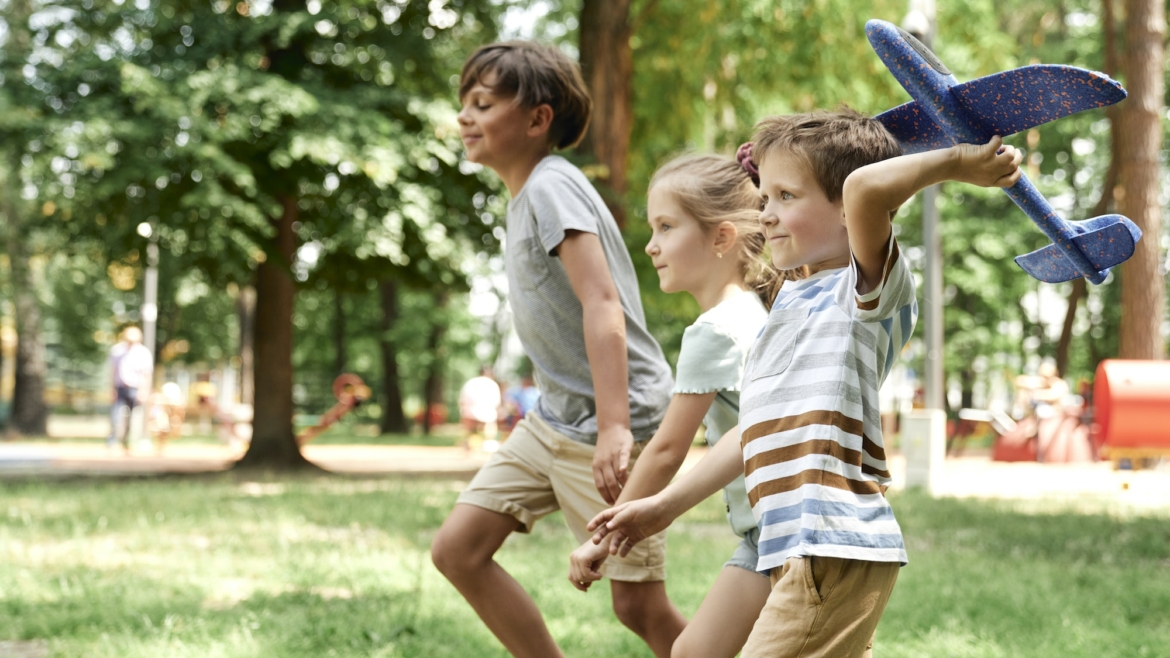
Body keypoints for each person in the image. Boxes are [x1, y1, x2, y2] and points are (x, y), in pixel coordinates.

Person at [588, 109, 1023, 658]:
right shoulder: (790, 302)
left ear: (847, 213)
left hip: (833, 543)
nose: (765, 215)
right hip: (789, 542)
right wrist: (663, 507)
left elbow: (865, 187)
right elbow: (751, 432)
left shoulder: (865, 294)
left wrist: (958, 161)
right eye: (763, 199)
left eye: (785, 198)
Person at [429, 41, 683, 658]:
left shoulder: (551, 185)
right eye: (463, 103)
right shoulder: (526, 195)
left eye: (483, 103)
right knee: (458, 551)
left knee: (638, 605)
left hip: (613, 419)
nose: (465, 116)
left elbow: (602, 303)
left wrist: (616, 428)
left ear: (537, 119)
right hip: (553, 418)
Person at [567, 152, 800, 658]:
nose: (651, 245)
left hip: (781, 537)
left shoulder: (715, 330)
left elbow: (667, 450)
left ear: (721, 238)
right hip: (773, 535)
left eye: (667, 227)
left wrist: (601, 540)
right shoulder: (755, 312)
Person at [106, 326, 153, 451]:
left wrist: (144, 390)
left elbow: (146, 374)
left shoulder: (143, 352)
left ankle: (132, 441)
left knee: (135, 417)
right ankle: (114, 440)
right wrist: (112, 388)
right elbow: (113, 371)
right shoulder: (117, 351)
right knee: (117, 415)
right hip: (120, 387)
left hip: (136, 388)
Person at [458, 366, 503, 452]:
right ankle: (489, 442)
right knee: (491, 424)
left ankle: (467, 444)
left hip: (469, 413)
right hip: (487, 413)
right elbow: (496, 402)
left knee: (468, 427)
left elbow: (462, 400)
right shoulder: (492, 384)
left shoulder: (470, 382)